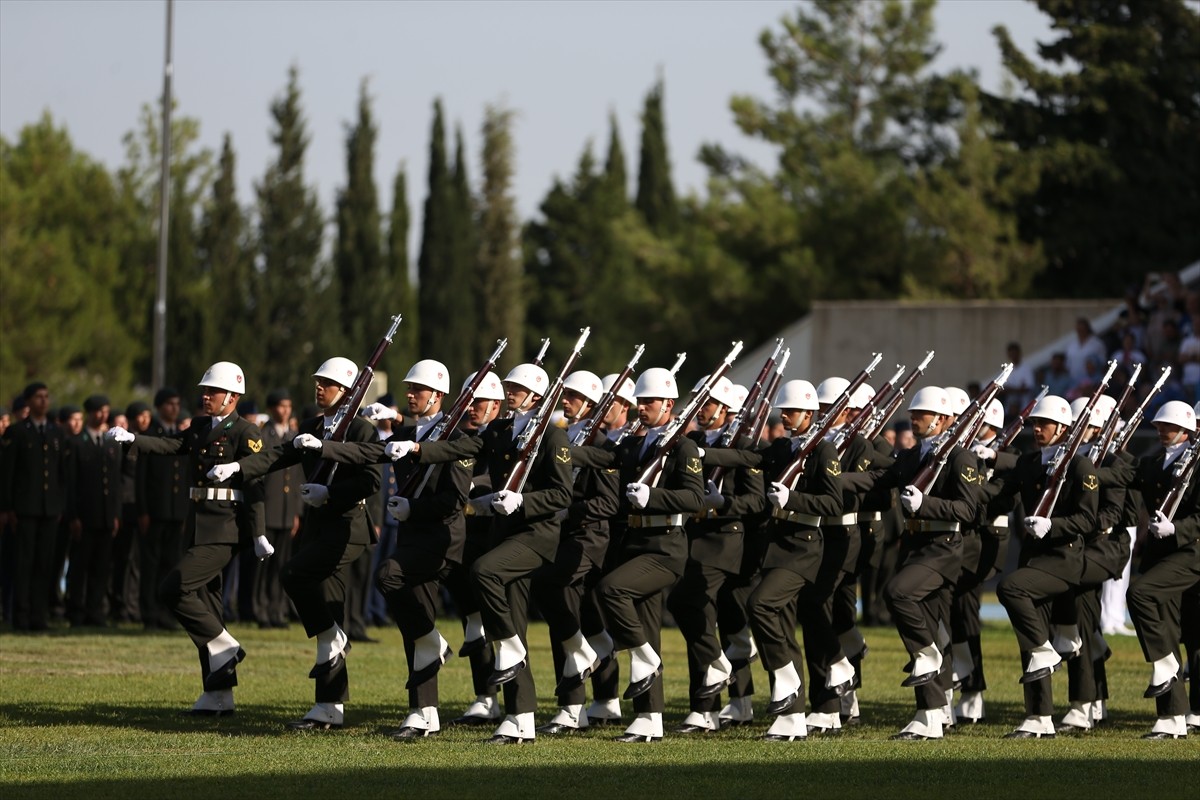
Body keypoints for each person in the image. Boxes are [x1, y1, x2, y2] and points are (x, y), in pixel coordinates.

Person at [386, 362, 573, 744]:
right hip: (506, 534)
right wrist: (420, 448)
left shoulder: (553, 438)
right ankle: (521, 718)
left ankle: (508, 649)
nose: (508, 394)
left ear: (534, 397)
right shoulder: (502, 430)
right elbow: (464, 446)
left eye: (515, 390)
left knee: (484, 572)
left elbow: (561, 494)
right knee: (514, 619)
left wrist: (522, 501)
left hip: (537, 535)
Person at [215, 356, 379, 731]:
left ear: (347, 391)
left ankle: (335, 638)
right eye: (318, 382)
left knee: (293, 575)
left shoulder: (362, 430)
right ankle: (329, 707)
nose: (319, 387)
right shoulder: (310, 426)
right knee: (330, 608)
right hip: (318, 526)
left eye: (327, 383)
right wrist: (239, 468)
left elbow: (371, 482)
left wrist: (330, 492)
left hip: (348, 526)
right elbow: (277, 456)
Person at [107, 363, 268, 716]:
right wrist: (133, 439)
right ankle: (218, 695)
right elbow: (169, 444)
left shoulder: (246, 432)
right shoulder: (197, 427)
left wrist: (258, 532)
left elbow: (255, 486)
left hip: (226, 529)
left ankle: (225, 645)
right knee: (208, 607)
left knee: (173, 587)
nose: (205, 396)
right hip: (197, 524)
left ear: (232, 396)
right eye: (205, 391)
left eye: (212, 391)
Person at [571, 366, 703, 743]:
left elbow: (694, 498)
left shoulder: (684, 446)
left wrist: (654, 497)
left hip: (665, 547)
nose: (641, 407)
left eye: (649, 402)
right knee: (646, 626)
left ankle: (644, 657)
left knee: (610, 590)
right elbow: (601, 459)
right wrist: (563, 449)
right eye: (640, 401)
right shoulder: (635, 444)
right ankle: (649, 718)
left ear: (669, 404)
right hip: (635, 543)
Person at [843, 386, 983, 741]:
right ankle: (930, 715)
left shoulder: (959, 458)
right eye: (914, 414)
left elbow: (968, 511)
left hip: (944, 548)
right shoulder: (910, 456)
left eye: (922, 415)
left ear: (943, 419)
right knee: (933, 628)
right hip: (916, 545)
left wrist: (926, 505)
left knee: (898, 593)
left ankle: (927, 655)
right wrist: (835, 480)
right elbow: (879, 480)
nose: (915, 420)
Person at [991, 394, 1099, 739]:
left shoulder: (1081, 467)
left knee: (1010, 589)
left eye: (1045, 424)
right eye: (1035, 424)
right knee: (1030, 633)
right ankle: (1038, 717)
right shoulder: (1027, 462)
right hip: (1034, 559)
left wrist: (1054, 525)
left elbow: (1087, 518)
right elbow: (1001, 497)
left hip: (1065, 559)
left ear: (1063, 428)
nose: (1038, 429)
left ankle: (1047, 652)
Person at [667, 376, 764, 735]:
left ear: (724, 409)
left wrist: (724, 503)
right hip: (694, 536)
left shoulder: (746, 444)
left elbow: (756, 500)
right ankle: (718, 707)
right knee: (711, 620)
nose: (699, 408)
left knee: (689, 604)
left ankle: (723, 686)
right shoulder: (690, 441)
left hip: (728, 539)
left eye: (706, 403)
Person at [531, 369, 620, 736]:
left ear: (591, 404)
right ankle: (581, 705)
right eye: (564, 394)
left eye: (574, 397)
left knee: (558, 597)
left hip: (588, 538)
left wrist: (572, 510)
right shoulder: (562, 436)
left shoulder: (602, 445)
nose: (565, 401)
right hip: (561, 536)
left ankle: (573, 705)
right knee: (570, 616)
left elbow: (608, 503)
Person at [1126, 400, 1200, 739]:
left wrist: (1178, 529)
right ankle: (1171, 719)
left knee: (1140, 594)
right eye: (1158, 426)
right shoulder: (1155, 462)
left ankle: (1167, 666)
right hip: (1161, 555)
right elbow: (1126, 475)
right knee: (1168, 627)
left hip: (1191, 553)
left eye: (1167, 427)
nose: (1161, 431)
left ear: (1186, 430)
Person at [1, 383, 72, 632]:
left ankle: (38, 616)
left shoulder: (55, 433)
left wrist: (60, 503)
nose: (43, 401)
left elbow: (61, 474)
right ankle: (20, 615)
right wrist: (8, 507)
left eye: (46, 397)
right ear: (29, 402)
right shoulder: (17, 432)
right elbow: (8, 473)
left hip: (49, 508)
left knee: (45, 563)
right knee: (24, 563)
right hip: (25, 508)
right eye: (38, 397)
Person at [65, 394, 122, 628]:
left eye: (106, 410)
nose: (103, 415)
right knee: (80, 567)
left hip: (106, 517)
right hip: (85, 516)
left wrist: (116, 514)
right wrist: (73, 516)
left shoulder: (111, 443)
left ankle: (95, 611)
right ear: (90, 413)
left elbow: (116, 480)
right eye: (99, 411)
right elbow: (70, 483)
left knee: (101, 568)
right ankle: (76, 611)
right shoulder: (77, 443)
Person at [136, 388, 191, 631]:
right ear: (159, 407)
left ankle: (165, 613)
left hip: (175, 511)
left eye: (177, 404)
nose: (174, 408)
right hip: (155, 510)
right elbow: (142, 477)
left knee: (170, 564)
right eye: (169, 404)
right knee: (150, 564)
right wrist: (143, 511)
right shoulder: (150, 435)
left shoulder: (181, 435)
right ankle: (148, 613)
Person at [252, 389, 303, 629]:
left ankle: (277, 609)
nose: (285, 411)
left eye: (289, 406)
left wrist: (296, 512)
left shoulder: (294, 436)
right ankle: (259, 609)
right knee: (263, 566)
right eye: (281, 406)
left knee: (282, 564)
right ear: (272, 408)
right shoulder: (263, 435)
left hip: (285, 510)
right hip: (268, 507)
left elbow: (297, 478)